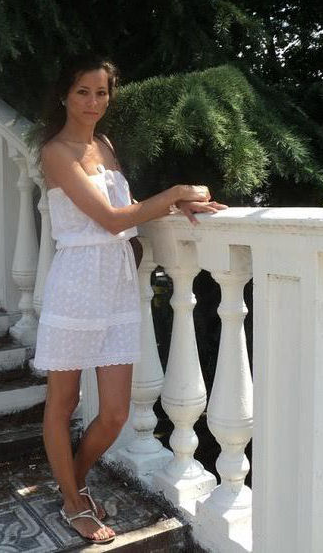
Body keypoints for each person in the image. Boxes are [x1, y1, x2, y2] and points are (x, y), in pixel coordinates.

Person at [33, 54, 228, 544]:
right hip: (76, 282)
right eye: (83, 91)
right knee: (63, 401)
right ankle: (73, 501)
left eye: (101, 92)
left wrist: (176, 207)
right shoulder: (55, 152)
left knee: (116, 412)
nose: (93, 102)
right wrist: (175, 190)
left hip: (117, 284)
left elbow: (128, 210)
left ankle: (73, 484)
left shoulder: (104, 144)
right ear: (65, 95)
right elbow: (111, 219)